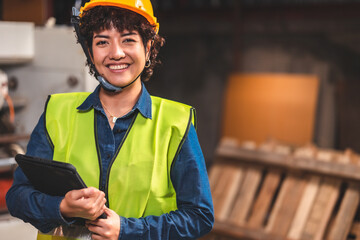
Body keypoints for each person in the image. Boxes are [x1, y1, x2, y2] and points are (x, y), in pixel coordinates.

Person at [6, 0, 214, 239]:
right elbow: (18, 196)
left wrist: (127, 230)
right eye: (102, 42)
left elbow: (199, 216)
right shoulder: (57, 113)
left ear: (148, 46)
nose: (116, 53)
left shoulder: (175, 123)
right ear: (90, 51)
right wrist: (62, 207)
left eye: (128, 39)